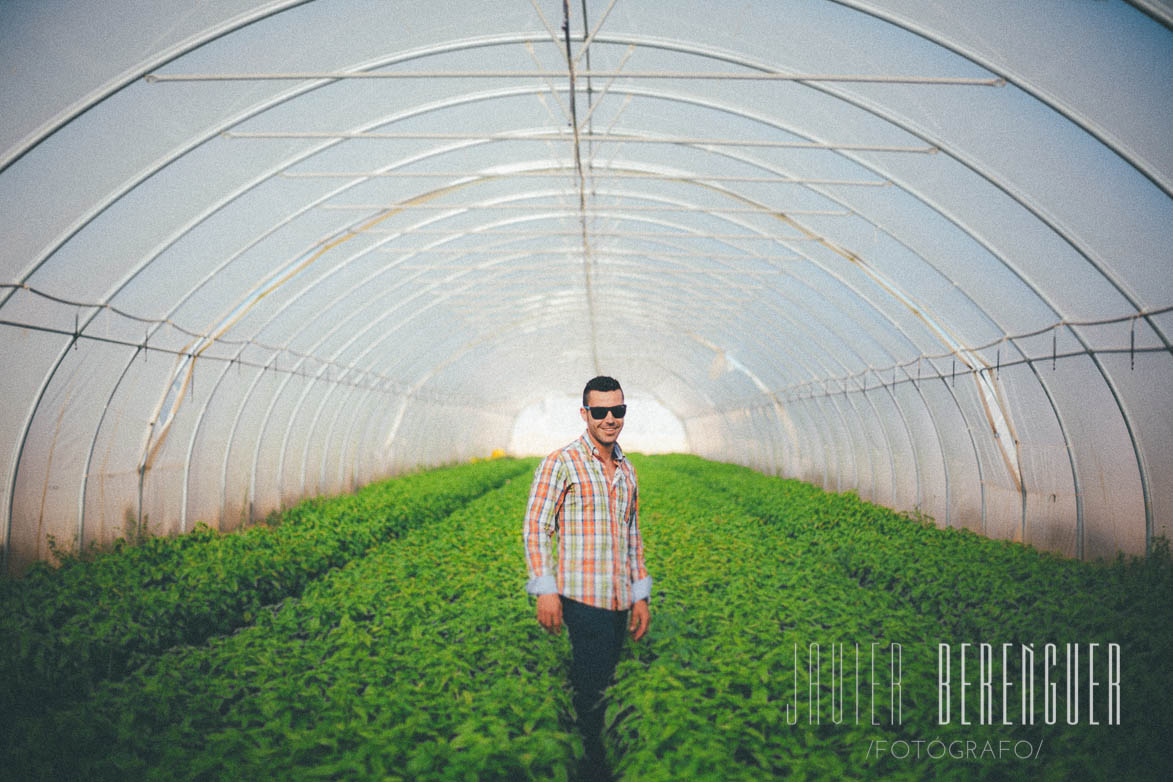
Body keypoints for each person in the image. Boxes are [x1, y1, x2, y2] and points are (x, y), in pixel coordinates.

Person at [522, 375, 652, 777]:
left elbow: (632, 534)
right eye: (600, 411)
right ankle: (591, 767)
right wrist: (546, 589)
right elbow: (536, 527)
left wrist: (640, 594)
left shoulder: (627, 470)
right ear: (585, 414)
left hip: (617, 600)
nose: (610, 419)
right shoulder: (561, 462)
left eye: (618, 410)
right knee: (592, 691)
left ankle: (600, 758)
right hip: (581, 600)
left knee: (609, 685)